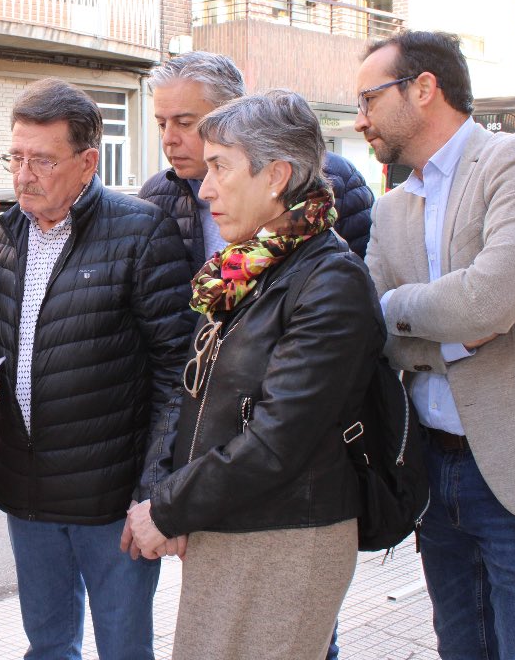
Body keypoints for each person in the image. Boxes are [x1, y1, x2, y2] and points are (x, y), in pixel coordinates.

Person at [357, 30, 515, 659]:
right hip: (436, 474)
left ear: (423, 88)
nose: (360, 120)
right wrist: (454, 335)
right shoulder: (392, 209)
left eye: (368, 100)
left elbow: (485, 303)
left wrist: (406, 311)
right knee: (461, 648)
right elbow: (370, 329)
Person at [125, 91, 383, 660]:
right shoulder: (252, 268)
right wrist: (177, 501)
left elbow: (277, 440)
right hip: (234, 520)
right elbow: (201, 400)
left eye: (220, 167)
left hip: (285, 536)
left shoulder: (328, 281)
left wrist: (168, 507)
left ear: (277, 175)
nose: (205, 187)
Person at [0, 77, 194, 660]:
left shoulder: (140, 231)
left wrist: (154, 489)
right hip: (28, 496)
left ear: (86, 162)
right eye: (16, 157)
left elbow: (178, 371)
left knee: (124, 649)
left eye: (42, 160)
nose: (23, 174)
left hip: (112, 502)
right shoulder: (0, 238)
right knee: (47, 647)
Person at [139, 50, 374, 264]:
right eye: (161, 124)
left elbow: (355, 280)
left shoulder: (336, 180)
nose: (168, 138)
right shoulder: (156, 197)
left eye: (185, 123)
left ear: (231, 112)